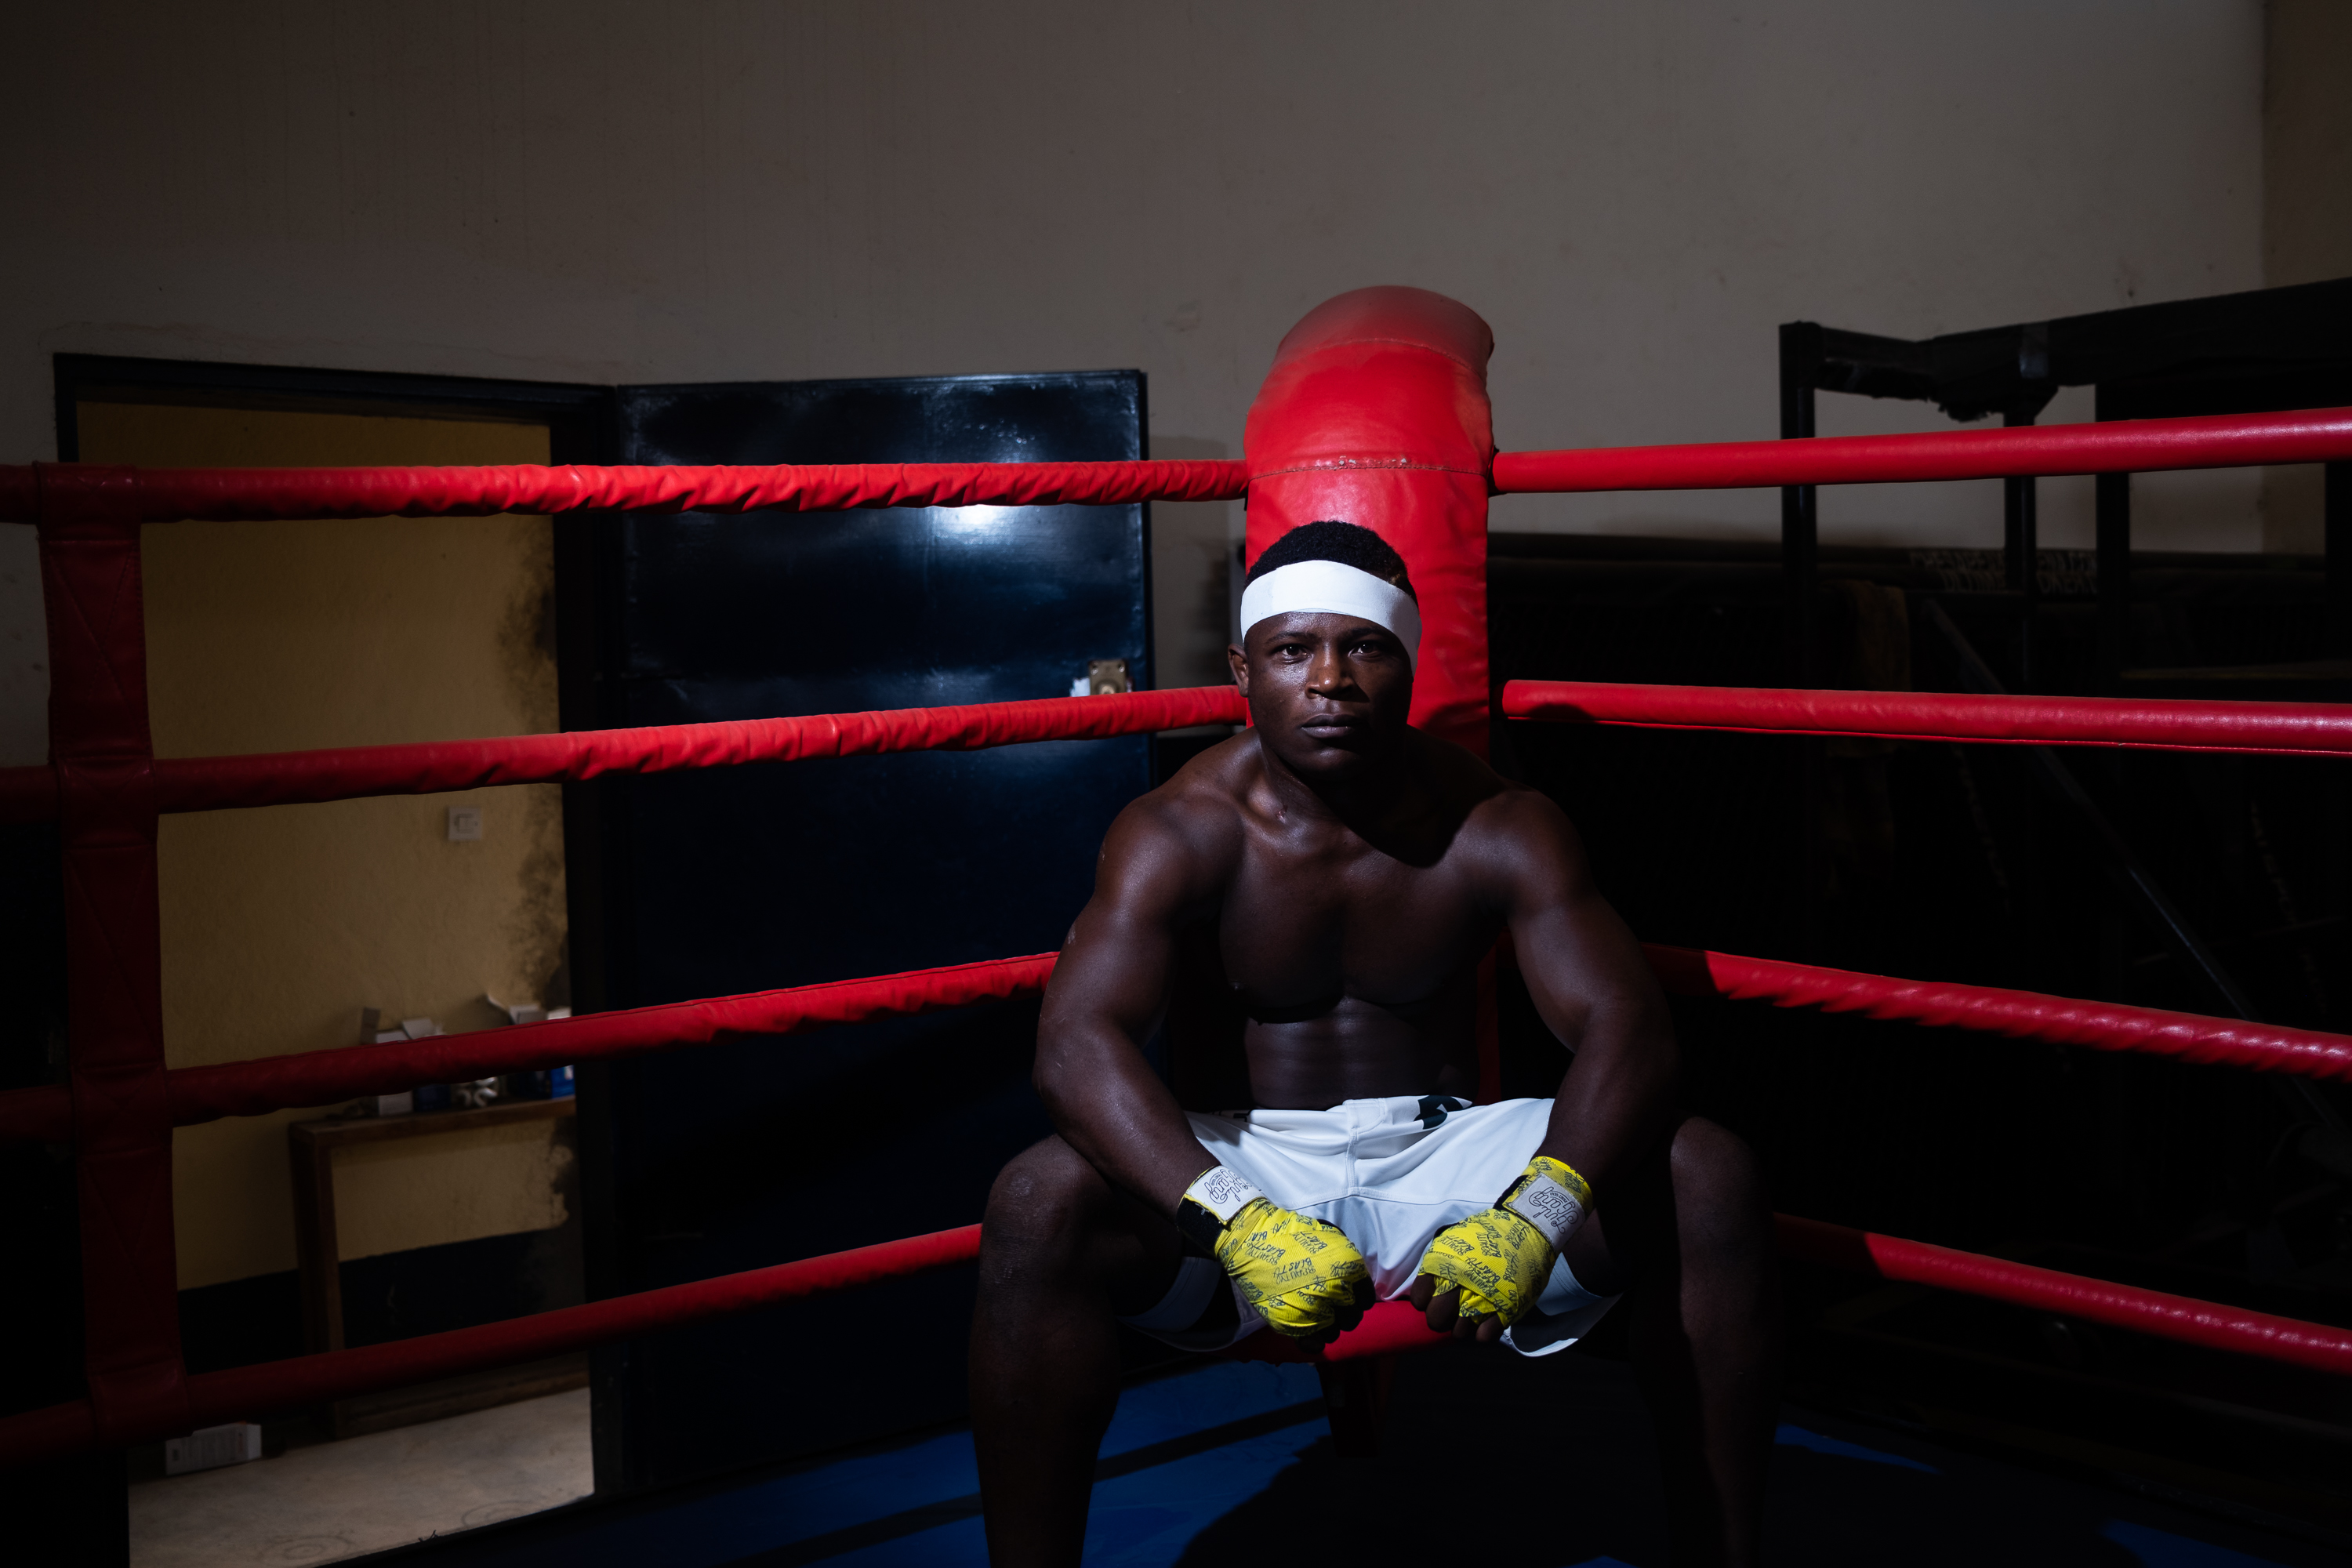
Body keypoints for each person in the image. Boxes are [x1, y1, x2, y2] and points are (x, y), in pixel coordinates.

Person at [970, 521, 1780, 1566]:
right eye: (1293, 650)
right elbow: (1077, 1043)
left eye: (1364, 647)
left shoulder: (1499, 822)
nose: (1330, 680)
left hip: (1455, 1159)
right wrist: (1237, 1219)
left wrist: (1539, 1210)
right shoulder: (1179, 828)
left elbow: (1627, 1024)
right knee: (1036, 1202)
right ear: (1241, 670)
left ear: (1408, 661)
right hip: (1244, 1160)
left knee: (1707, 1173)